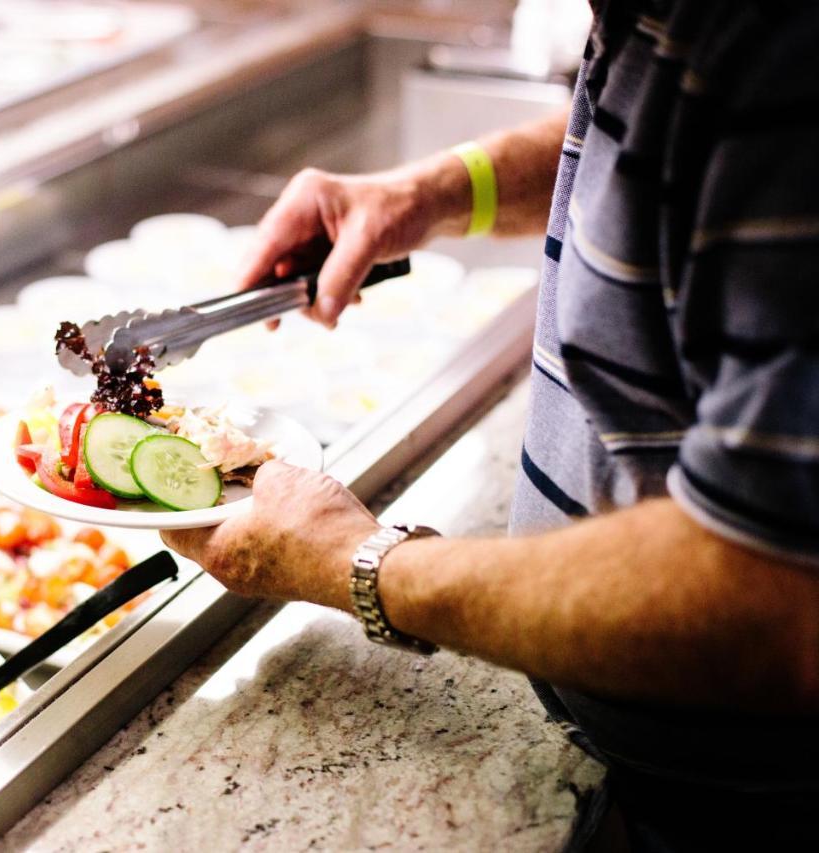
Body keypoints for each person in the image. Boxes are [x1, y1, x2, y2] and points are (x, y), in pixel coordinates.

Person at [161, 1, 819, 849]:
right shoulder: (665, 17)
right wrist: (434, 193)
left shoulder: (778, 44)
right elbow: (668, 149)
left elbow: (773, 594)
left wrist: (363, 565)